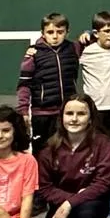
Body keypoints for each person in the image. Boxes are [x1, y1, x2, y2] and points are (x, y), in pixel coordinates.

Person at [35, 95, 110, 218]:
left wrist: (70, 204)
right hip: (60, 205)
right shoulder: (49, 148)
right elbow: (45, 187)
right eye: (69, 113)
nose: (74, 119)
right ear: (61, 117)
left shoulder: (103, 145)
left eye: (81, 114)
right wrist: (68, 202)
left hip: (91, 203)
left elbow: (104, 183)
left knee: (87, 215)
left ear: (90, 118)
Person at [17, 12, 80, 153]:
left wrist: (88, 33)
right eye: (50, 32)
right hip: (42, 114)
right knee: (42, 152)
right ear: (43, 33)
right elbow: (24, 84)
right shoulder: (33, 54)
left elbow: (98, 35)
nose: (55, 36)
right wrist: (23, 110)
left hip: (67, 112)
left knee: (67, 152)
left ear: (67, 32)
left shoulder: (74, 48)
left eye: (60, 32)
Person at [77, 11, 110, 145]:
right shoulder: (85, 50)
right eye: (107, 31)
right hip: (94, 107)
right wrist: (87, 33)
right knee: (93, 145)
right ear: (96, 33)